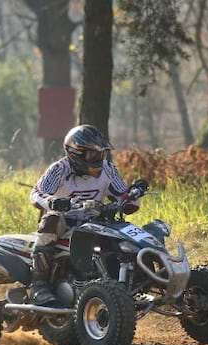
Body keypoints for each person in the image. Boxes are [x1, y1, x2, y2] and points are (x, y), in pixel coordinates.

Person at [29, 124, 140, 306]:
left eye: (100, 154)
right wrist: (52, 202)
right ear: (75, 153)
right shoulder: (59, 169)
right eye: (92, 154)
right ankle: (39, 285)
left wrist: (135, 193)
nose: (98, 159)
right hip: (64, 222)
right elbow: (36, 193)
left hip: (95, 222)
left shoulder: (107, 169)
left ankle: (124, 284)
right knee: (52, 218)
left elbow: (125, 199)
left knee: (123, 240)